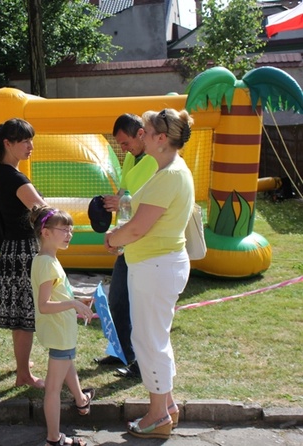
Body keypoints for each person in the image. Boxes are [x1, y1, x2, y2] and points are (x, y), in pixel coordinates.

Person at [104, 108, 195, 439]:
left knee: (148, 342)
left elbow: (138, 228)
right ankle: (166, 406)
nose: (139, 135)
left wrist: (112, 239)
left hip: (155, 267)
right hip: (157, 266)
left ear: (161, 139)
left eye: (145, 130)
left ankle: (157, 416)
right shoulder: (169, 171)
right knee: (156, 339)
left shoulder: (169, 175)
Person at [94, 114, 158, 379]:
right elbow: (126, 193)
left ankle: (143, 365)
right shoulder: (132, 157)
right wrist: (114, 201)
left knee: (142, 308)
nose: (123, 149)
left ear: (141, 134)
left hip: (148, 245)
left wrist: (122, 204)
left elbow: (147, 207)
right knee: (118, 299)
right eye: (119, 144)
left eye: (124, 142)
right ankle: (124, 353)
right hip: (130, 241)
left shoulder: (158, 162)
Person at [29, 206, 94, 446]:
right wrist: (74, 303)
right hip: (59, 331)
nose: (69, 234)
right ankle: (54, 439)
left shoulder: (48, 259)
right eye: (64, 229)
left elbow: (57, 294)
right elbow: (44, 305)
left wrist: (76, 298)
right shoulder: (47, 262)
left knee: (67, 364)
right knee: (53, 390)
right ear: (45, 232)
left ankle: (81, 401)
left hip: (60, 331)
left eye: (71, 230)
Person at [0, 118, 47, 389]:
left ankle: (23, 365)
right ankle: (24, 375)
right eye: (25, 141)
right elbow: (44, 214)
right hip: (24, 251)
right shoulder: (14, 177)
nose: (30, 146)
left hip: (13, 249)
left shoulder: (1, 172)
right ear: (7, 143)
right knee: (25, 316)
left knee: (20, 315)